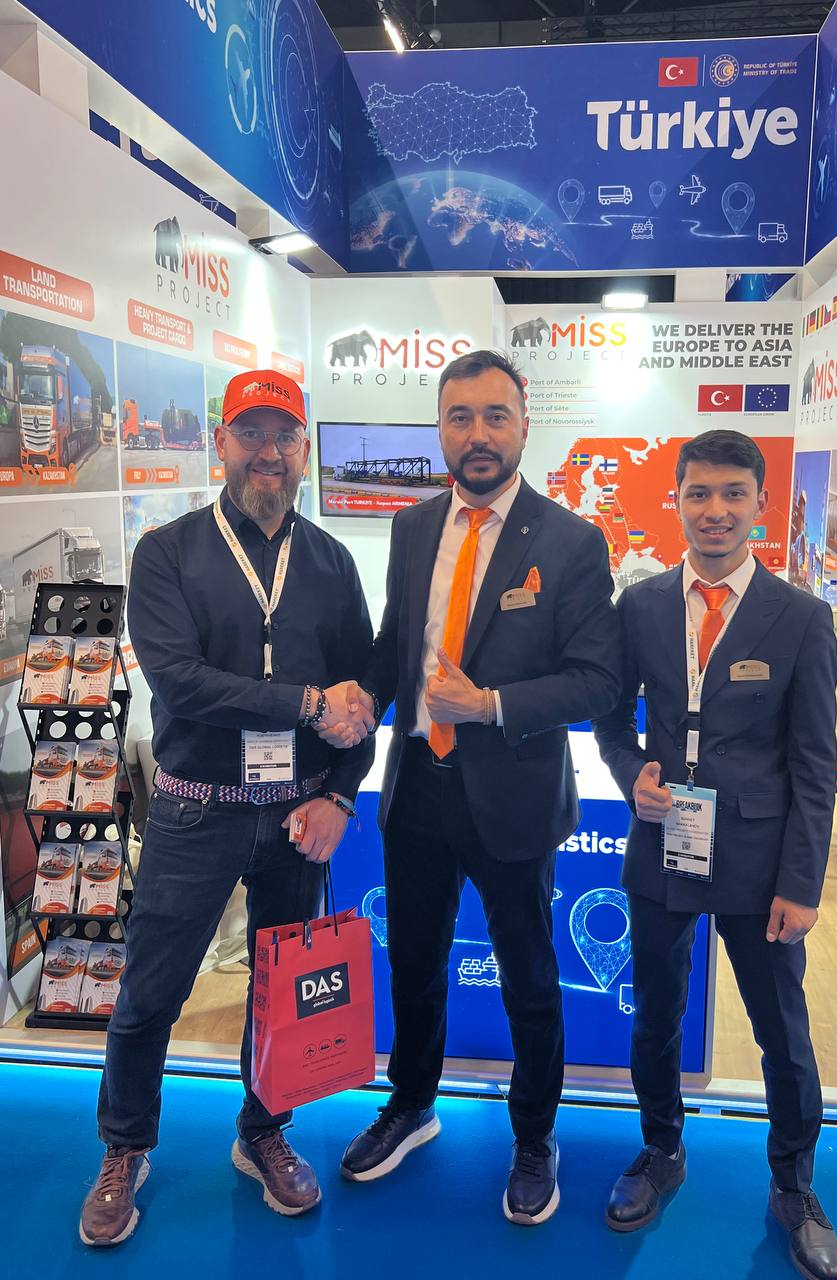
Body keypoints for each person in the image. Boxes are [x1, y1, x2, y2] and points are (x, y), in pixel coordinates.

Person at [79, 370, 376, 1248]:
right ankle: (125, 1147)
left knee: (281, 995)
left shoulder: (332, 562)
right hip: (194, 813)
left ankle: (263, 1131)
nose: (268, 452)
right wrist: (308, 704)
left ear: (304, 450)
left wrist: (340, 794)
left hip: (297, 820)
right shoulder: (167, 552)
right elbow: (181, 683)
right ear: (221, 443)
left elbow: (362, 697)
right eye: (251, 433)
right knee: (151, 994)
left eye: (284, 436)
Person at [333, 349, 620, 1225]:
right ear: (440, 430)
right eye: (460, 417)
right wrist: (364, 695)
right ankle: (412, 1104)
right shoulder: (414, 527)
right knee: (414, 961)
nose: (479, 434)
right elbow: (397, 643)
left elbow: (596, 680)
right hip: (418, 786)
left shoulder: (570, 542)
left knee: (528, 975)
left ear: (525, 425)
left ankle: (534, 1136)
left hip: (513, 797)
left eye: (496, 416)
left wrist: (489, 705)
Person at [593, 429, 837, 1280]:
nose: (715, 510)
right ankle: (661, 1150)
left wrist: (802, 883)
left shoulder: (801, 618)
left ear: (760, 504)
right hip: (664, 843)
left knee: (782, 1033)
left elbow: (814, 764)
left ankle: (795, 1187)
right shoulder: (640, 606)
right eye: (698, 492)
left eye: (734, 493)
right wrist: (632, 773)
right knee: (655, 1016)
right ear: (677, 500)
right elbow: (610, 721)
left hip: (761, 863)